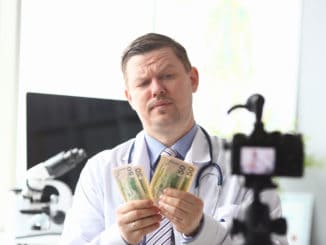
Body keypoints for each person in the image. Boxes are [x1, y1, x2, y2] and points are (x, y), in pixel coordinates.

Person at [60, 33, 288, 245]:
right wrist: (119, 238)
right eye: (143, 83)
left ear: (193, 79)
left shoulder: (247, 165)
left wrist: (203, 230)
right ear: (129, 97)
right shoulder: (100, 170)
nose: (157, 89)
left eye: (167, 76)